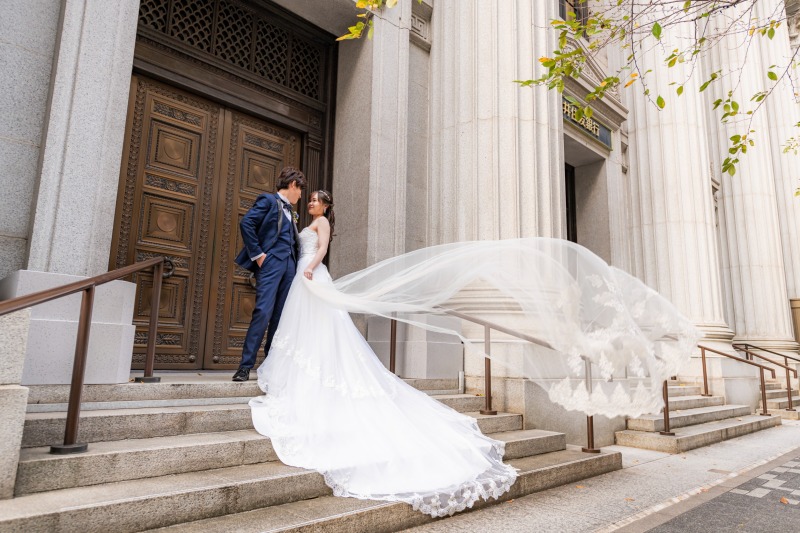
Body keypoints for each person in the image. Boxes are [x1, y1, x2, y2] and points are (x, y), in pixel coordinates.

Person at [249, 190, 518, 517]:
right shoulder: (308, 220)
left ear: (325, 206)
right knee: (306, 327)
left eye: (315, 201)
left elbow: (321, 249)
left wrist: (309, 269)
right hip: (303, 276)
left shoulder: (321, 223)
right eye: (310, 201)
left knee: (321, 328)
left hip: (311, 275)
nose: (311, 204)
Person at [232, 167, 306, 382]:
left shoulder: (291, 211)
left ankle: (270, 366)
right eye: (300, 190)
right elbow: (247, 223)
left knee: (280, 317)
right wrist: (259, 255)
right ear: (293, 185)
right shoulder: (267, 200)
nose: (301, 195)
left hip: (290, 266)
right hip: (272, 262)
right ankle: (245, 367)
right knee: (263, 312)